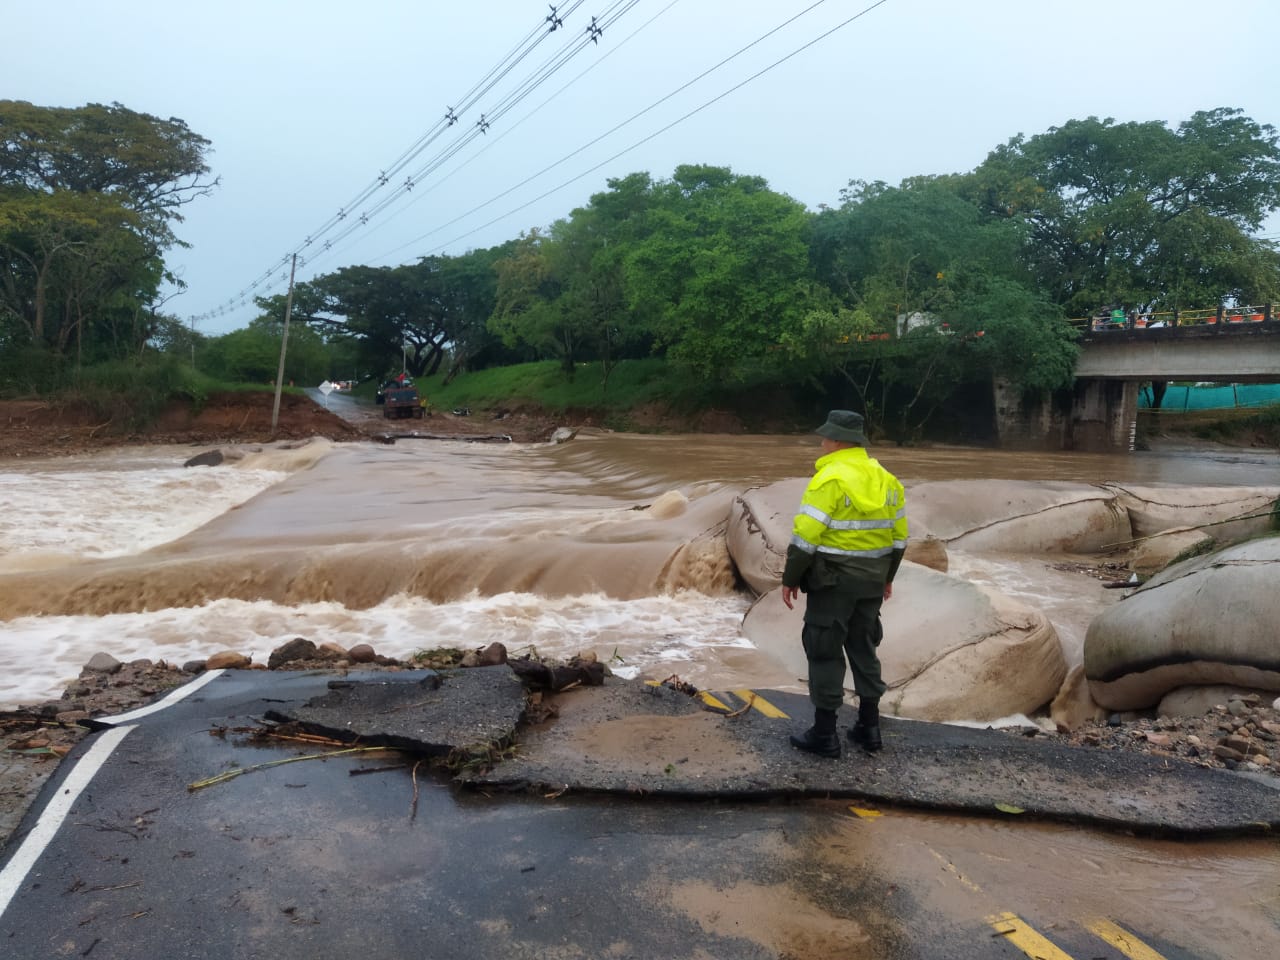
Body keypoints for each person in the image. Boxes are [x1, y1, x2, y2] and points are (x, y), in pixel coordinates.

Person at [781, 410, 908, 758]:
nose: (821, 444)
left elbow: (805, 538)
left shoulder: (828, 480)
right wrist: (887, 578)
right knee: (864, 647)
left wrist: (790, 579)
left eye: (825, 438)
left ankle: (825, 734)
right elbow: (899, 539)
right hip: (872, 580)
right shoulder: (887, 479)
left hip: (833, 581)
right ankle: (869, 728)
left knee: (824, 649)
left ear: (837, 441)